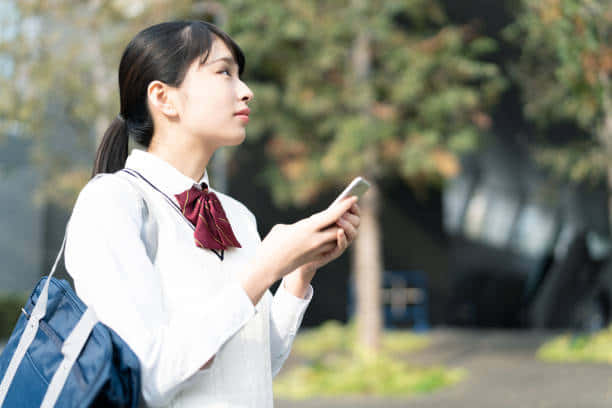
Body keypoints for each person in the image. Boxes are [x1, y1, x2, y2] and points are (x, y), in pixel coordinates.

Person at [64, 20, 361, 407]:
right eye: (224, 73)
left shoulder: (236, 216)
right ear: (164, 98)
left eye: (241, 76)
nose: (246, 91)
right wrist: (265, 268)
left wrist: (298, 273)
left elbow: (254, 366)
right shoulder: (112, 203)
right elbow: (147, 373)